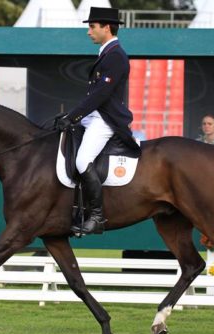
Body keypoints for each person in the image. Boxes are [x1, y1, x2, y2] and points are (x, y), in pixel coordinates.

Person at [57, 7, 140, 236]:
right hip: (95, 115)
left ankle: (96, 216)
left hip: (106, 119)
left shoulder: (116, 56)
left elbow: (100, 95)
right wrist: (68, 118)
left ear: (106, 28)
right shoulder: (106, 53)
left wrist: (73, 116)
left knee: (83, 160)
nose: (88, 32)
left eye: (92, 27)